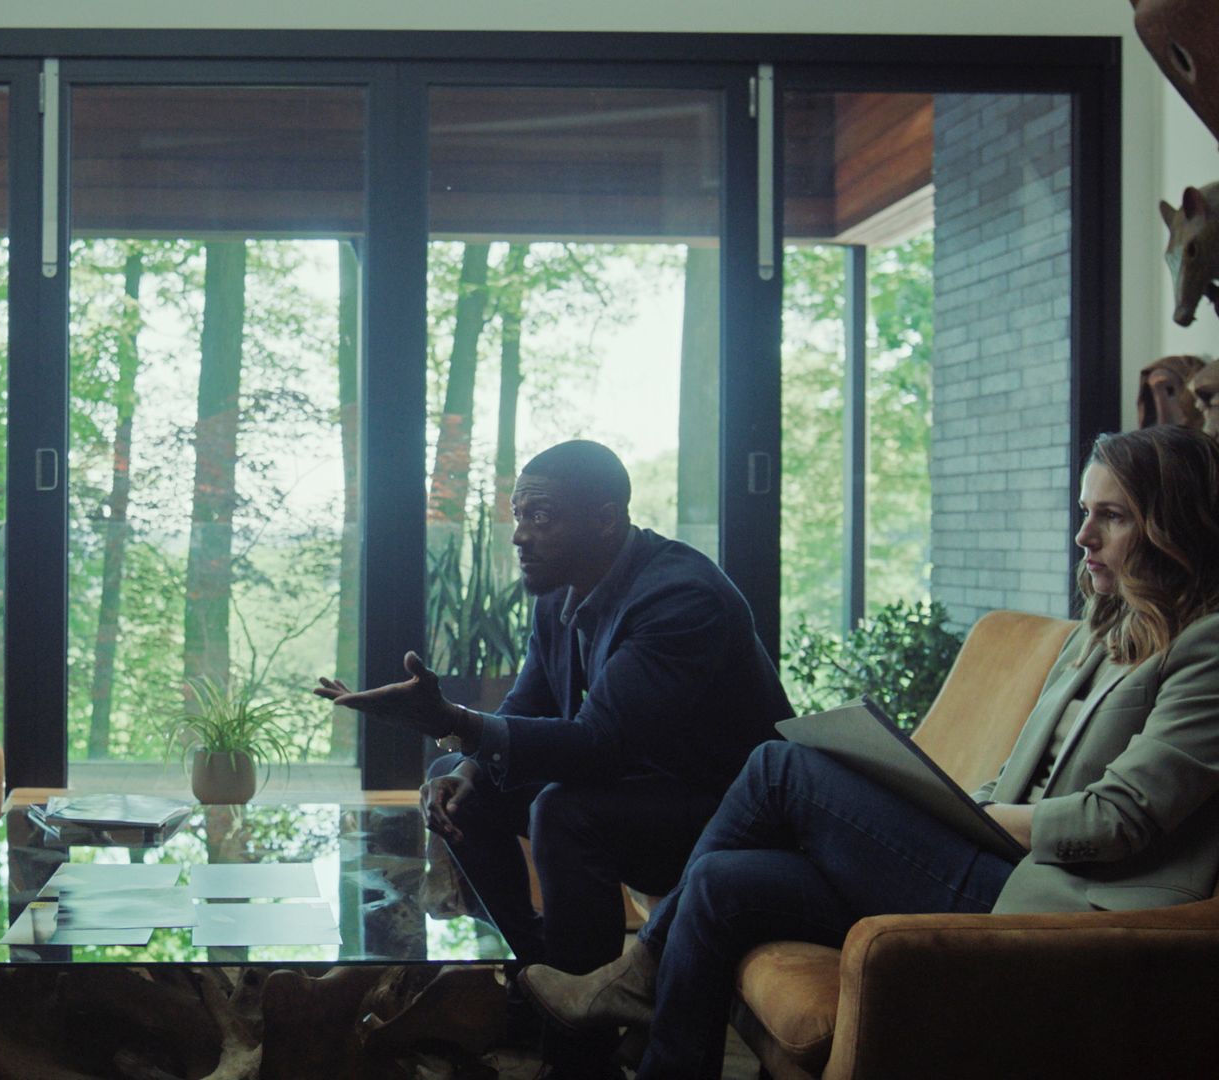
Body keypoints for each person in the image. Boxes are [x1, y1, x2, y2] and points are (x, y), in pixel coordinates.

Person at [519, 424, 1219, 1080]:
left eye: (1112, 517)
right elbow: (1021, 776)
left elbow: (1118, 819)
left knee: (780, 767)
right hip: (1002, 860)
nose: (1083, 535)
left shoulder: (1207, 649)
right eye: (1085, 511)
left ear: (1174, 527)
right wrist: (956, 805)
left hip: (1061, 905)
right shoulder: (1101, 632)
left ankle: (639, 971)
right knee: (721, 880)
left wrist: (974, 818)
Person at [316, 439, 790, 1078]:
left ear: (606, 519)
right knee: (457, 783)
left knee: (567, 811)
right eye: (518, 515)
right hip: (640, 787)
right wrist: (464, 761)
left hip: (720, 815)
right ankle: (536, 977)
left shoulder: (680, 597)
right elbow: (529, 700)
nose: (521, 535)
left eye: (542, 517)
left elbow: (599, 744)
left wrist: (453, 721)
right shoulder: (562, 592)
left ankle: (579, 1053)